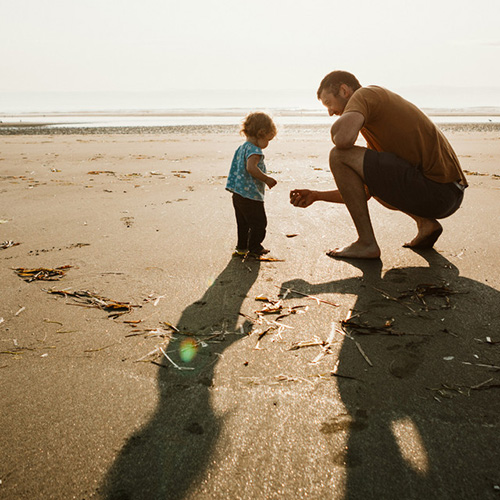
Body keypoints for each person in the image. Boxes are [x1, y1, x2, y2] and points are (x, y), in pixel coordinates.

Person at [290, 70, 467, 259]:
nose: (330, 112)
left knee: (338, 155)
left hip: (439, 190)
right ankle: (426, 224)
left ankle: (366, 243)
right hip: (447, 195)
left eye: (329, 104)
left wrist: (335, 129)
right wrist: (317, 196)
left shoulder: (365, 94)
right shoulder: (374, 123)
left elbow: (342, 139)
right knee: (368, 178)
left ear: (344, 90)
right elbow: (365, 191)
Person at [226, 112, 277, 257]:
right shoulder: (255, 150)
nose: (267, 144)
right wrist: (266, 179)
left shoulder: (242, 147)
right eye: (268, 139)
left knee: (243, 224)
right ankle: (255, 247)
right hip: (250, 195)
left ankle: (241, 248)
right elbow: (251, 168)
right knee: (259, 223)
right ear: (261, 133)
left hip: (238, 194)